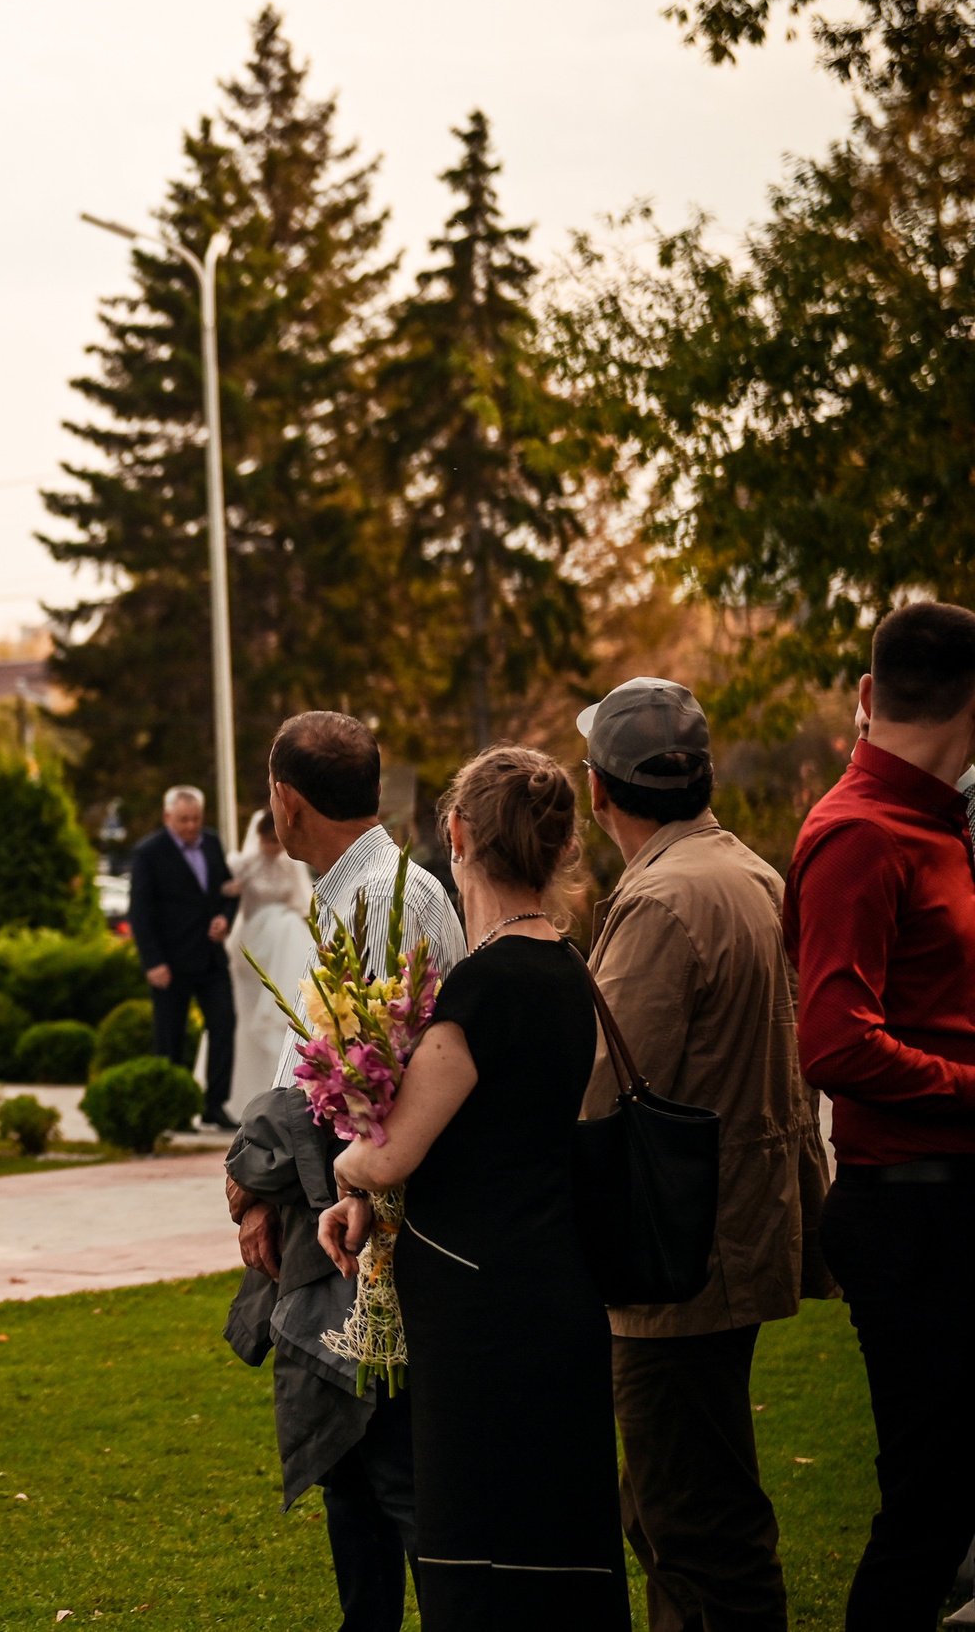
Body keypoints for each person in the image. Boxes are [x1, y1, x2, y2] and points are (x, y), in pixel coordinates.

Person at [319, 745, 629, 1631]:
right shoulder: (570, 968)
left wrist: (346, 1168)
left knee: (481, 1551)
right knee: (561, 1543)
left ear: (455, 834)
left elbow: (391, 1155)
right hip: (557, 1284)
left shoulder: (485, 984)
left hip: (481, 1307)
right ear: (562, 848)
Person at [578, 677, 832, 1632]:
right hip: (737, 1228)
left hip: (679, 1259)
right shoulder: (753, 873)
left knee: (695, 1523)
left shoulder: (662, 899)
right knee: (676, 1510)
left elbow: (601, 1089)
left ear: (600, 791)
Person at [222, 711, 463, 1632]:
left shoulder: (386, 899)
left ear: (287, 799)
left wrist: (272, 1188)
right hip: (336, 1203)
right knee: (351, 1468)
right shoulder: (354, 888)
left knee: (384, 1460)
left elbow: (358, 1081)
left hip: (373, 1221)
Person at [784, 600, 975, 1629]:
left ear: (866, 695)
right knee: (926, 1514)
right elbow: (835, 1044)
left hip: (947, 1201)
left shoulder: (937, 824)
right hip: (911, 1213)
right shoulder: (862, 832)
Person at [128, 785, 238, 1129]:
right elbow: (139, 913)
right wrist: (152, 962)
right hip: (170, 962)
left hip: (210, 959)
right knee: (170, 1037)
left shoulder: (212, 842)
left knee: (224, 1025)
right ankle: (173, 1110)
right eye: (183, 820)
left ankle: (215, 1105)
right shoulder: (148, 852)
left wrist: (225, 917)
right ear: (167, 817)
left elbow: (228, 890)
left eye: (196, 819)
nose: (191, 826)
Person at [226, 808, 315, 1119]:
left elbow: (301, 901)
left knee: (290, 927)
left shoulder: (289, 865)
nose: (272, 848)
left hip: (282, 940)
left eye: (276, 842)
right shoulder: (242, 865)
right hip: (253, 940)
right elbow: (229, 900)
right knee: (246, 1018)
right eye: (268, 842)